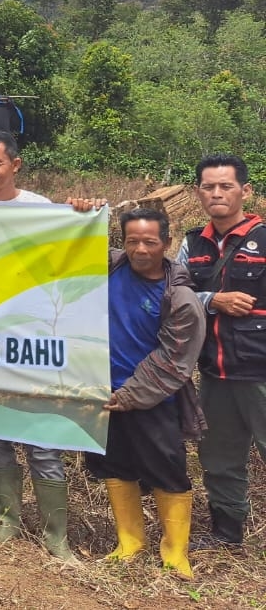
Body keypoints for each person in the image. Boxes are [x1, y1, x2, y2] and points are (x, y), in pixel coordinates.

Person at [0, 130, 72, 559]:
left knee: (42, 437)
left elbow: (69, 258)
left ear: (15, 165)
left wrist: (82, 214)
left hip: (33, 346)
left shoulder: (42, 210)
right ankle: (6, 518)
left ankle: (55, 534)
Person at [91, 208, 202, 580]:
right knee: (115, 465)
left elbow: (174, 359)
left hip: (152, 398)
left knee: (167, 471)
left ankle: (174, 553)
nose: (140, 249)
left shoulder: (181, 297)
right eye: (132, 241)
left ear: (167, 244)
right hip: (103, 393)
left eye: (150, 242)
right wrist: (78, 212)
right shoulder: (109, 267)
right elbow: (60, 250)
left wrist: (130, 395)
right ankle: (130, 542)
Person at [175, 153, 266, 549]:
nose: (216, 193)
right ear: (198, 192)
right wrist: (214, 299)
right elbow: (173, 296)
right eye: (208, 187)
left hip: (260, 373)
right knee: (219, 460)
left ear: (245, 191)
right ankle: (227, 534)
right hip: (215, 374)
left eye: (225, 186)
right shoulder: (192, 243)